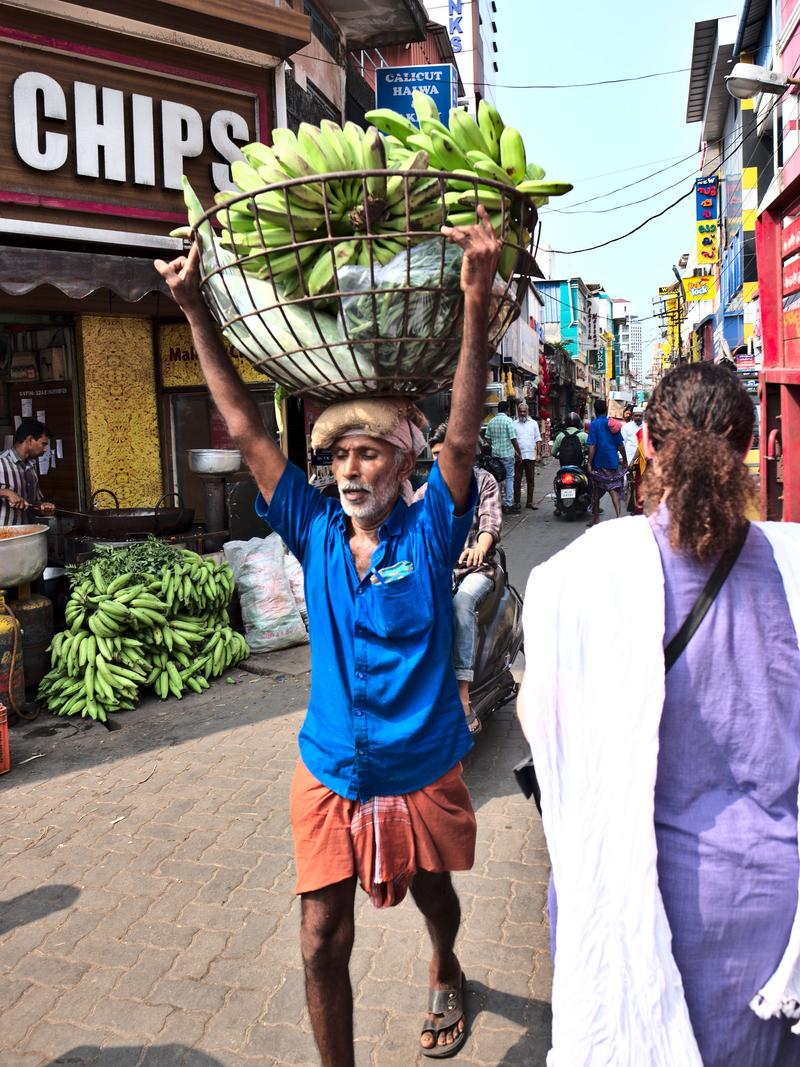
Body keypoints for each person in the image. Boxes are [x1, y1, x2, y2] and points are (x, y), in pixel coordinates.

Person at [155, 207, 502, 1065]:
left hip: (421, 762)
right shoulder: (311, 529)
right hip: (330, 770)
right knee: (319, 940)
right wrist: (197, 309)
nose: (350, 469)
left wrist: (475, 300)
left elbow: (461, 436)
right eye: (339, 455)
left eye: (370, 453)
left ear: (403, 466)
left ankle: (446, 960)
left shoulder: (429, 532)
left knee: (436, 893)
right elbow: (246, 431)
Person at [519, 362, 800, 1066]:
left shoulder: (582, 577)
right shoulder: (793, 570)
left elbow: (550, 733)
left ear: (648, 446)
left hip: (642, 905)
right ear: (747, 447)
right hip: (771, 909)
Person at [414, 422, 503, 736]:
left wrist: (480, 545)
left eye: (447, 455)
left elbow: (490, 522)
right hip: (439, 572)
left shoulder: (484, 481)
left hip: (479, 570)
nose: (441, 463)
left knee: (460, 605)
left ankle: (463, 694)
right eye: (436, 455)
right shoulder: (425, 492)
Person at [0, 419, 56, 525]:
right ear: (30, 440)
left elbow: (32, 504)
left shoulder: (31, 466)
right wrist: (7, 493)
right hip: (4, 538)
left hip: (26, 534)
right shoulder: (1, 462)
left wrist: (42, 508)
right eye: (43, 444)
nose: (45, 449)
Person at [586, 398, 627, 527]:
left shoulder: (594, 424)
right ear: (606, 409)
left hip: (599, 462)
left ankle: (596, 518)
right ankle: (619, 516)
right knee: (613, 489)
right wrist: (625, 460)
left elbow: (592, 445)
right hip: (612, 462)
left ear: (595, 411)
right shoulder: (612, 423)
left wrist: (589, 462)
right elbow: (620, 445)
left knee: (596, 491)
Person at [484, 400, 520, 512]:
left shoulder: (491, 421)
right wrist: (518, 452)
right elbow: (513, 438)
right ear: (508, 409)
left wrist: (494, 444)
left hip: (495, 456)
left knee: (497, 479)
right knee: (509, 478)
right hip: (507, 455)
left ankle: (498, 503)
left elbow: (487, 437)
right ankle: (508, 503)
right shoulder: (509, 421)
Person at [513, 402, 542, 509]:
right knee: (517, 479)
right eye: (520, 411)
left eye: (524, 411)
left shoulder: (533, 423)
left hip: (530, 455)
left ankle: (530, 502)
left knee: (531, 479)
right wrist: (515, 453)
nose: (522, 413)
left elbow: (538, 439)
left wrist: (539, 454)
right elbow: (511, 440)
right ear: (518, 412)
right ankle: (517, 502)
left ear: (527, 412)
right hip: (518, 456)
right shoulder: (514, 424)